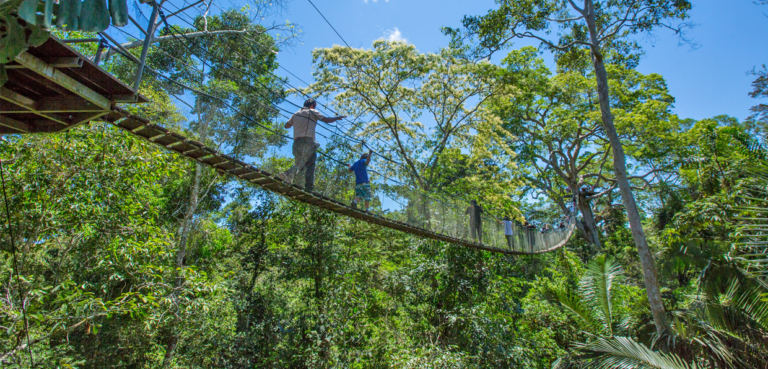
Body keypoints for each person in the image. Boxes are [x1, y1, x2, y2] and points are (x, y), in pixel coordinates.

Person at [281, 98, 346, 191]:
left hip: (296, 143)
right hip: (307, 141)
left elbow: (287, 126)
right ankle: (308, 187)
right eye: (315, 106)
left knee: (300, 164)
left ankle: (290, 178)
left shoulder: (295, 114)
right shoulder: (312, 111)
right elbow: (326, 120)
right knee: (310, 164)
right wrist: (337, 118)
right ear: (312, 105)